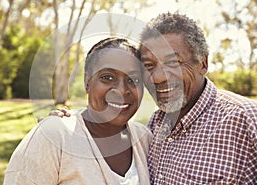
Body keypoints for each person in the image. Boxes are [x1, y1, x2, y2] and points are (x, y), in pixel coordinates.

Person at [51, 13, 257, 184]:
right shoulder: (154, 128)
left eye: (173, 63)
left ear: (203, 63)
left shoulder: (246, 120)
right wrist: (69, 122)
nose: (158, 77)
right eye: (149, 66)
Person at [3, 37, 152, 185]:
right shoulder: (53, 137)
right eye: (107, 77)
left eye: (134, 79)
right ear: (87, 82)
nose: (121, 90)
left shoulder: (145, 139)